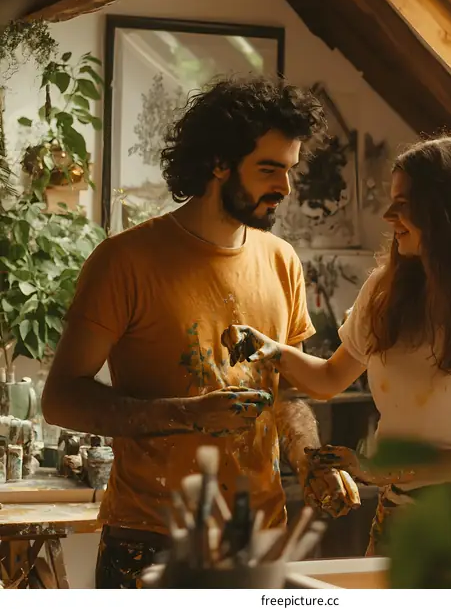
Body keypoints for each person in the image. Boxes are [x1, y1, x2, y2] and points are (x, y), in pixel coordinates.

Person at [42, 77, 360, 589]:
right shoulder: (125, 261)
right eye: (269, 169)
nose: (285, 187)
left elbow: (288, 394)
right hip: (151, 541)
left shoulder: (282, 261)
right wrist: (188, 414)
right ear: (218, 163)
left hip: (260, 539)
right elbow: (61, 399)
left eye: (290, 169)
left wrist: (309, 460)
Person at [221, 136, 451, 586]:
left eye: (404, 203)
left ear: (449, 211)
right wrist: (270, 349)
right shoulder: (384, 291)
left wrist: (387, 470)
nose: (388, 216)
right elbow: (329, 378)